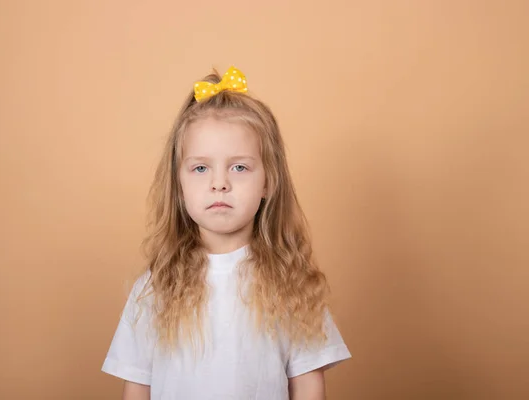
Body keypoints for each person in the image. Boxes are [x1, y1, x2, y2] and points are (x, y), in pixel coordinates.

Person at [101, 66, 351, 399]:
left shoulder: (290, 283)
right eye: (201, 168)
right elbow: (137, 385)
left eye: (239, 167)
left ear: (267, 183)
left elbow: (307, 384)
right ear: (179, 185)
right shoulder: (154, 286)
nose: (220, 183)